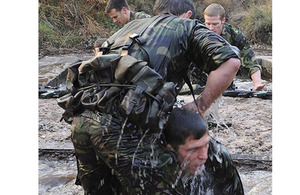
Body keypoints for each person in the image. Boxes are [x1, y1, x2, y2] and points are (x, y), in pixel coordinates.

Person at [65, 0, 241, 193]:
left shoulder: (130, 27)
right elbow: (231, 61)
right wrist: (201, 104)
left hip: (81, 120)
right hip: (122, 129)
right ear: (188, 14)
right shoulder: (188, 27)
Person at [164, 107, 244, 194]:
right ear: (171, 150)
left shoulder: (217, 156)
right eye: (194, 149)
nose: (204, 156)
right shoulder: (154, 167)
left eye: (206, 145)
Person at [202, 3, 266, 91]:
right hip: (200, 79)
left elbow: (251, 61)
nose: (211, 28)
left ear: (223, 20)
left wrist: (257, 83)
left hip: (224, 79)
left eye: (215, 24)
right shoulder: (198, 33)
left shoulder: (234, 35)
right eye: (208, 23)